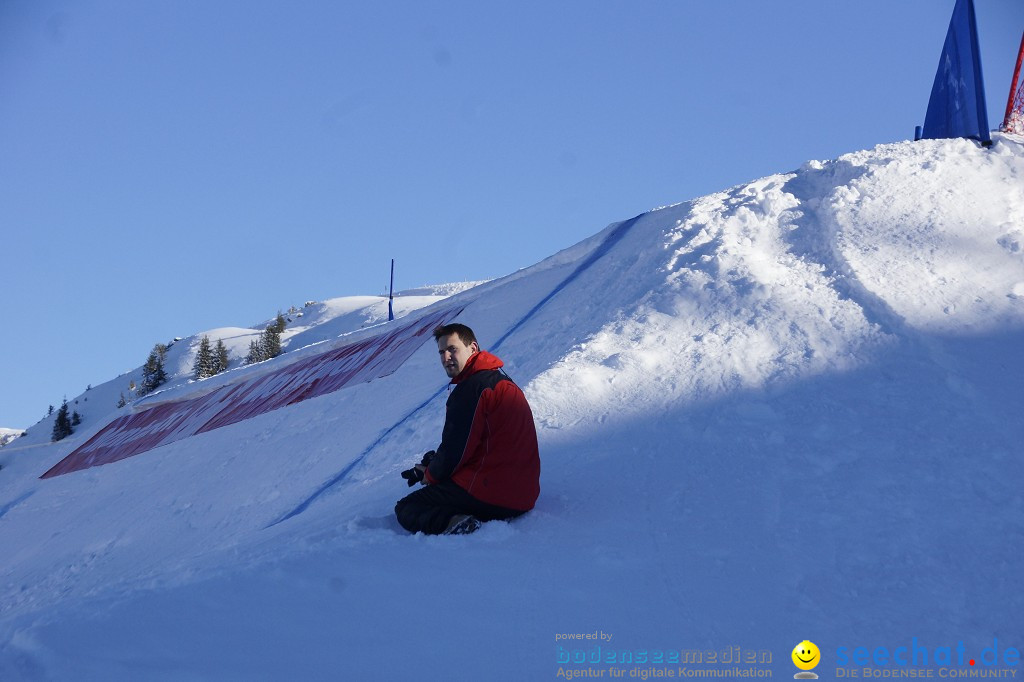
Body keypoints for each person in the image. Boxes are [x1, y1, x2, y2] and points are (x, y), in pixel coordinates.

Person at [394, 323, 540, 535]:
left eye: (452, 349)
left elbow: (456, 451)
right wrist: (434, 464)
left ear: (473, 348)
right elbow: (477, 444)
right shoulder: (500, 381)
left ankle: (456, 523)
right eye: (441, 352)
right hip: (525, 495)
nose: (446, 358)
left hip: (495, 496)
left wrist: (431, 476)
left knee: (406, 508)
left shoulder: (472, 388)